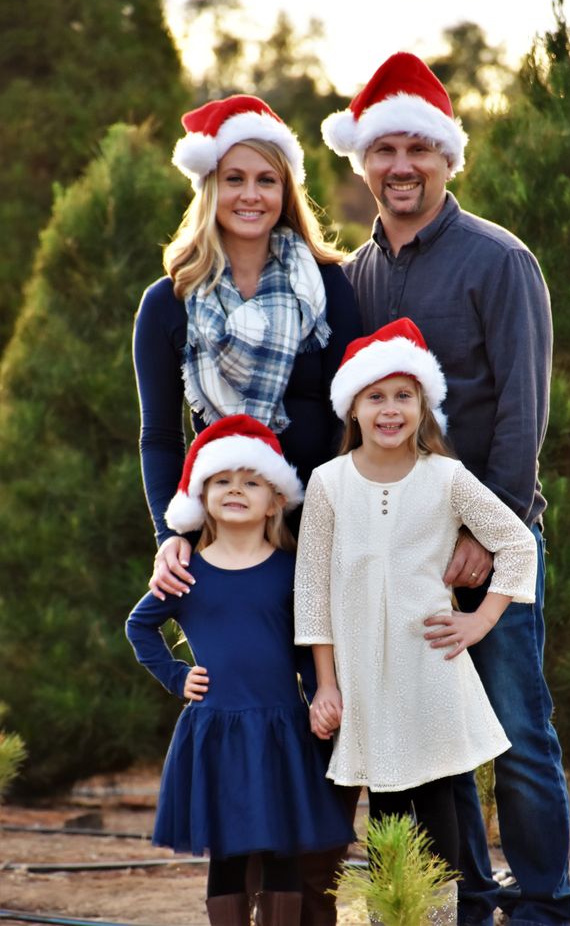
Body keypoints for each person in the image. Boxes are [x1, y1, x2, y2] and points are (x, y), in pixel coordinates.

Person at [320, 54, 570, 926]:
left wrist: (483, 532)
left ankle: (545, 905)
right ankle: (467, 898)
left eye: (419, 149)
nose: (401, 165)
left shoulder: (498, 261)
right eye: (384, 148)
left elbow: (520, 413)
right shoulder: (355, 274)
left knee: (517, 735)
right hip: (403, 552)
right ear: (362, 162)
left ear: (447, 159)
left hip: (492, 543)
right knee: (433, 741)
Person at [132, 94, 363, 924]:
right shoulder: (169, 302)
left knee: (317, 728)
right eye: (235, 177)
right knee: (243, 730)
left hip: (317, 529)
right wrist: (173, 532)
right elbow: (162, 436)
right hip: (230, 524)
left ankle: (315, 910)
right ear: (210, 186)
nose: (251, 194)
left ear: (288, 187)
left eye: (268, 177)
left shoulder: (327, 288)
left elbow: (352, 414)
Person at [294, 319, 538, 926]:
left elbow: (517, 544)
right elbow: (312, 590)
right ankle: (392, 917)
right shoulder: (328, 484)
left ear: (423, 405)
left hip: (427, 674)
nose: (390, 409)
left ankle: (436, 918)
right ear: (352, 407)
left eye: (404, 395)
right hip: (362, 681)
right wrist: (326, 684)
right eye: (375, 396)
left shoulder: (444, 477)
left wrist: (480, 621)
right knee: (386, 808)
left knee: (436, 806)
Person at [126, 414, 354, 925]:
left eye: (252, 481)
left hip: (282, 732)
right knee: (227, 854)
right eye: (222, 481)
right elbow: (139, 628)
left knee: (283, 851)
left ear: (276, 501)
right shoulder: (187, 574)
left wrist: (322, 693)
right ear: (201, 497)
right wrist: (176, 675)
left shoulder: (289, 570)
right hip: (217, 733)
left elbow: (305, 643)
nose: (236, 490)